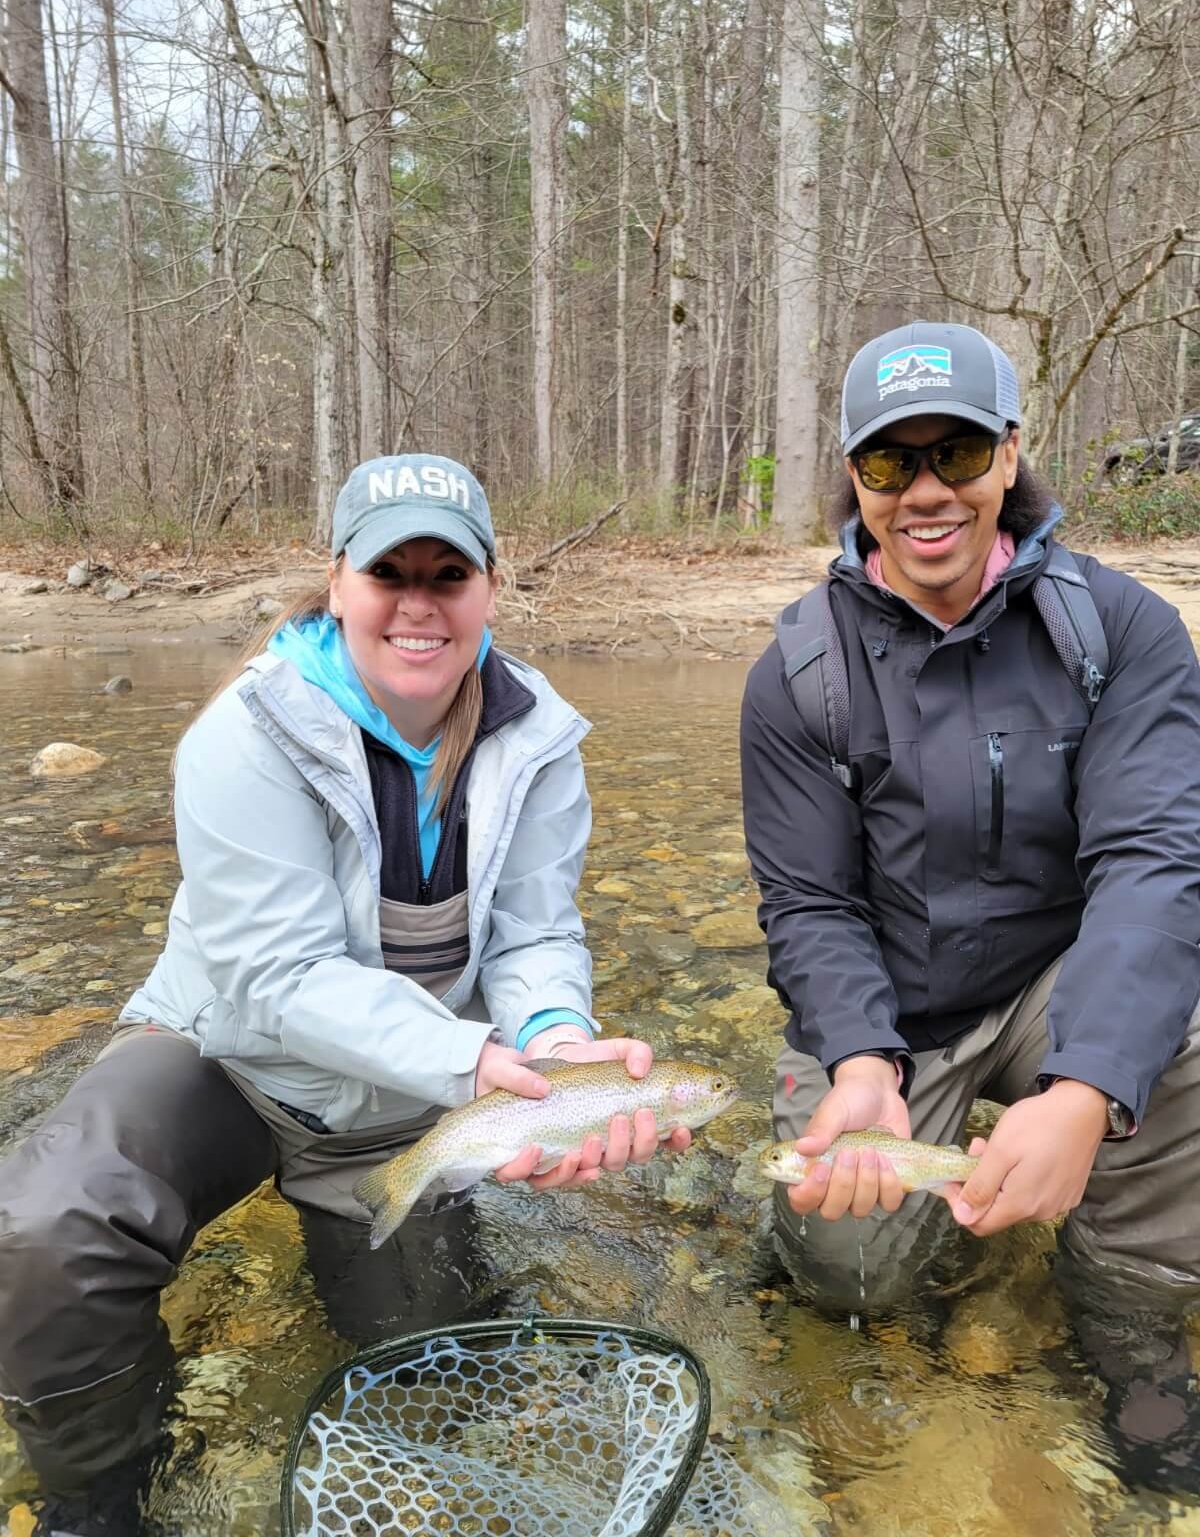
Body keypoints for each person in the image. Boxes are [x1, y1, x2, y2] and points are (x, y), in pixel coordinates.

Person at [0, 453, 691, 1537]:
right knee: (52, 1222)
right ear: (339, 585)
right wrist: (474, 1064)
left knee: (426, 1370)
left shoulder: (539, 738)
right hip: (220, 1055)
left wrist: (558, 1041)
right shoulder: (244, 731)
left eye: (447, 573)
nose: (418, 603)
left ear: (490, 591)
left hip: (394, 1106)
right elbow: (274, 976)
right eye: (390, 573)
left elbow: (537, 932)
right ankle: (104, 1493)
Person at [740, 322, 1200, 1488]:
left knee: (1186, 1031)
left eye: (956, 452)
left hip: (1058, 981)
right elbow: (806, 903)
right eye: (892, 464)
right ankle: (794, 1233)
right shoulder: (799, 671)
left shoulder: (1122, 629)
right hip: (894, 1012)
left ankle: (1130, 1326)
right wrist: (857, 1060)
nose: (927, 492)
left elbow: (1155, 860)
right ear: (856, 479)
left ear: (1009, 455)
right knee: (850, 1273)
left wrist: (1090, 1087)